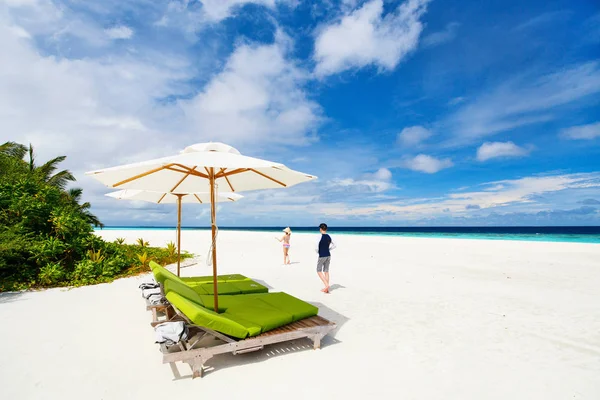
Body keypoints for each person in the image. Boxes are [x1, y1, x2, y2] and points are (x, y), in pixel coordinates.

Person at [315, 223, 336, 293]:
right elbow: (334, 245)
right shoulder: (329, 236)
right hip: (328, 255)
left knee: (318, 271)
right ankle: (326, 289)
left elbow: (316, 247)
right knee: (326, 271)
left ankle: (326, 285)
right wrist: (329, 249)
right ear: (326, 229)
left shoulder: (319, 236)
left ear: (320, 229)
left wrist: (318, 252)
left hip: (322, 255)